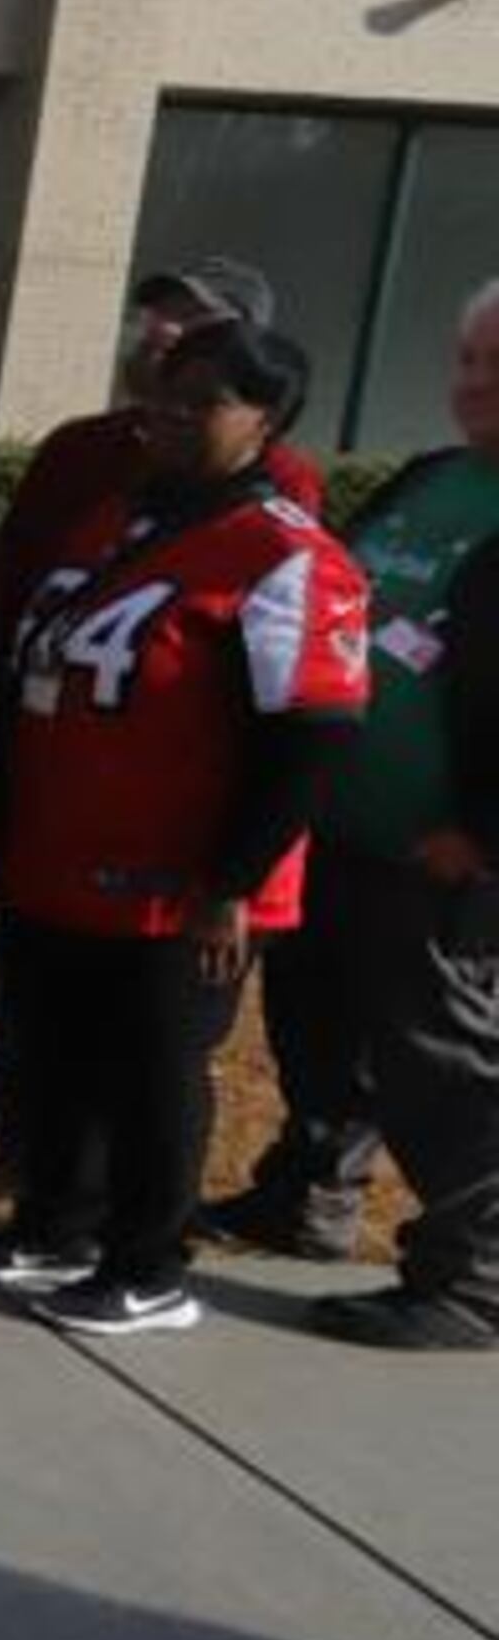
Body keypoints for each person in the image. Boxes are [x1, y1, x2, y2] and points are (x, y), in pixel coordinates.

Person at [0, 318, 368, 1338]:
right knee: (56, 1049)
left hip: (184, 882)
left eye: (206, 398)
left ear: (266, 420)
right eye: (168, 389)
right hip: (66, 855)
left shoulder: (282, 553)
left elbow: (309, 737)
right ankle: (56, 1223)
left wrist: (232, 881)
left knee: (152, 1067)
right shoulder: (120, 518)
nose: (174, 412)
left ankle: (150, 1262)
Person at [0, 258, 323, 1167]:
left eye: (189, 331)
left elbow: (298, 724)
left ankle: (136, 1245)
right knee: (46, 992)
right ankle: (44, 1186)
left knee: (149, 1045)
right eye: (153, 321)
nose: (158, 340)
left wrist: (233, 877)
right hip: (61, 794)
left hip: (172, 844)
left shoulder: (277, 516)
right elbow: (20, 588)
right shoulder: (99, 475)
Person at [297, 283, 499, 1351]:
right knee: (327, 1028)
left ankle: (472, 1278)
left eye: (496, 366)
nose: (474, 383)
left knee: (444, 1063)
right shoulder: (432, 478)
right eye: (468, 359)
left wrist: (484, 833)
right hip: (343, 824)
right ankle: (310, 1194)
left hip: (446, 854)